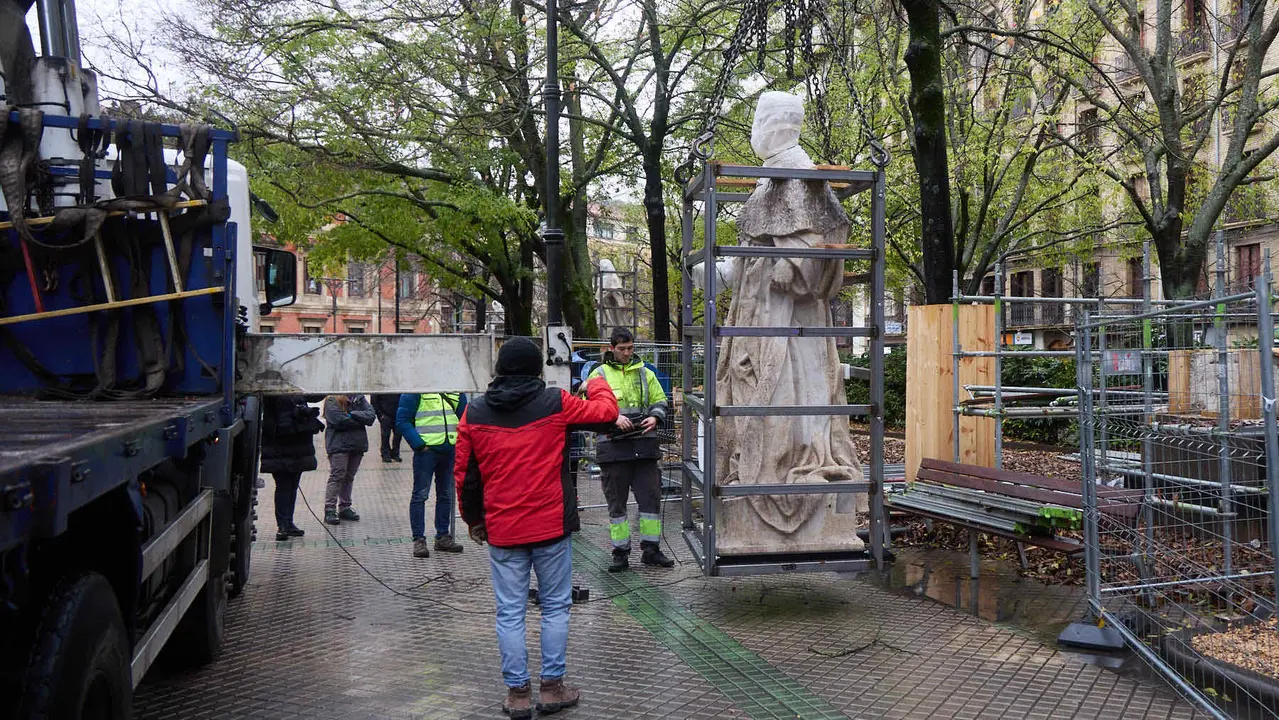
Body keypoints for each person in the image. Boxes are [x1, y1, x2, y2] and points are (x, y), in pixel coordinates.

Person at [455, 337, 619, 719]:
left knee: (509, 612)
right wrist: (596, 380)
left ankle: (517, 695)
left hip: (503, 530)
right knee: (556, 606)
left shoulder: (474, 412)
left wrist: (474, 520)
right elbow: (607, 414)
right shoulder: (554, 402)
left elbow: (465, 475)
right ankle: (551, 687)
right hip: (550, 526)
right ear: (536, 370)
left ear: (499, 369)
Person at [586, 327, 675, 572]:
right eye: (622, 349)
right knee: (617, 505)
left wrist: (655, 417)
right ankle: (620, 552)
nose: (627, 353)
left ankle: (651, 550)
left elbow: (660, 399)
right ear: (611, 348)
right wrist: (613, 418)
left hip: (644, 447)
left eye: (630, 348)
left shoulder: (645, 373)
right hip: (613, 449)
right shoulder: (599, 375)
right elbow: (587, 406)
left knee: (650, 501)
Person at [396, 390, 468, 557]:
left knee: (446, 494)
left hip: (449, 450)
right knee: (420, 495)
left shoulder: (456, 390)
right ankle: (419, 539)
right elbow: (402, 421)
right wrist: (420, 445)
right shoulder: (416, 390)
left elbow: (465, 419)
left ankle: (442, 536)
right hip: (426, 452)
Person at [259, 395, 325, 541]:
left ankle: (288, 522)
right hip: (280, 449)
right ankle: (282, 524)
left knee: (292, 486)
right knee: (283, 487)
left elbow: (313, 396)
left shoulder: (298, 394)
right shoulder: (274, 397)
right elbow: (279, 423)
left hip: (297, 448)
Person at [322, 394, 376, 525]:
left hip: (357, 444)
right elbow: (338, 421)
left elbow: (371, 416)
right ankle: (330, 509)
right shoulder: (332, 399)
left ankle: (345, 507)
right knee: (337, 476)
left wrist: (352, 414)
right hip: (338, 445)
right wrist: (360, 419)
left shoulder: (358, 398)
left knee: (349, 477)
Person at [372, 393, 404, 462]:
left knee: (398, 435)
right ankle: (385, 454)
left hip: (398, 414)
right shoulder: (381, 388)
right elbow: (374, 400)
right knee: (385, 436)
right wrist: (380, 414)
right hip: (385, 415)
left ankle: (395, 453)